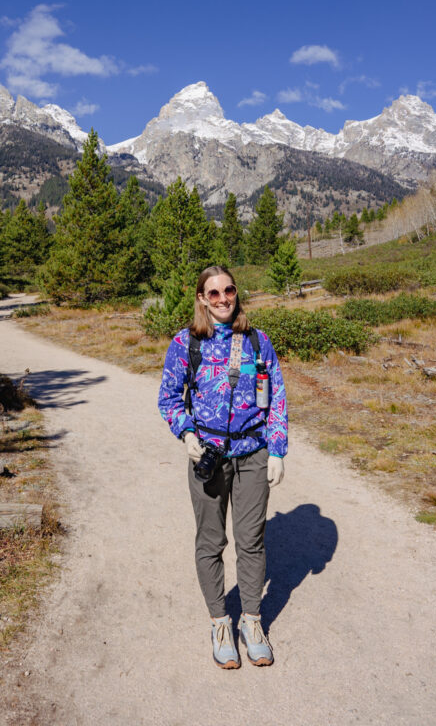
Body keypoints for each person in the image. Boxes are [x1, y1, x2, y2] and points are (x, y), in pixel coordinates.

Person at [157, 265, 287, 669]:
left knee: (251, 541)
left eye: (228, 290)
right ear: (201, 298)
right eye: (213, 293)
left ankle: (251, 622)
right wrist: (187, 434)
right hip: (208, 455)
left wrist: (278, 450)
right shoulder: (186, 343)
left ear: (236, 293)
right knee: (211, 542)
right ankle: (219, 622)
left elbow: (278, 395)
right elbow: (168, 398)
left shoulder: (258, 341)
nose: (223, 299)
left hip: (252, 453)